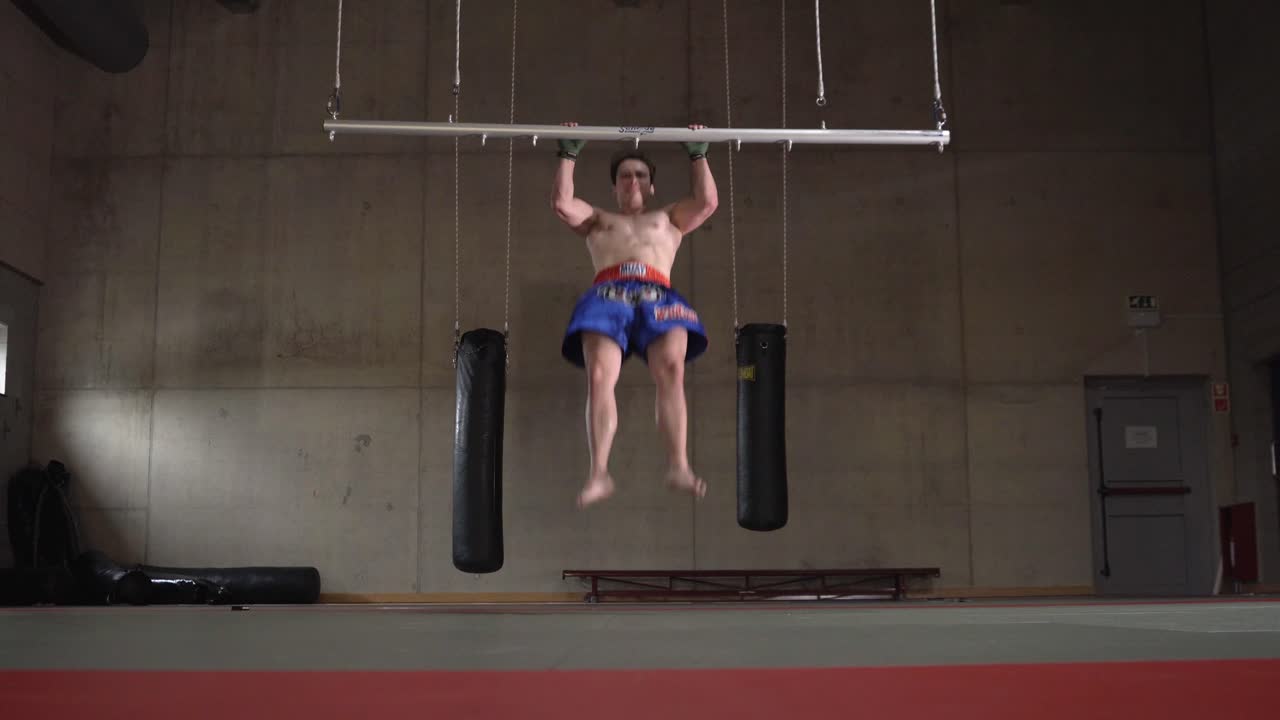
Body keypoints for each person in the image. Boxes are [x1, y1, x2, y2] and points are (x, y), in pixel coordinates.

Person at [551, 122, 718, 508]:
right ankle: (599, 473)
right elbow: (562, 203)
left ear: (652, 184)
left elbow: (707, 202)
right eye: (625, 176)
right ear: (614, 186)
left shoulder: (670, 217)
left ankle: (679, 465)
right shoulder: (598, 219)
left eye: (640, 175)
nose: (632, 182)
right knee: (598, 377)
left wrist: (698, 154)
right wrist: (568, 153)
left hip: (658, 291)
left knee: (672, 372)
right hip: (608, 294)